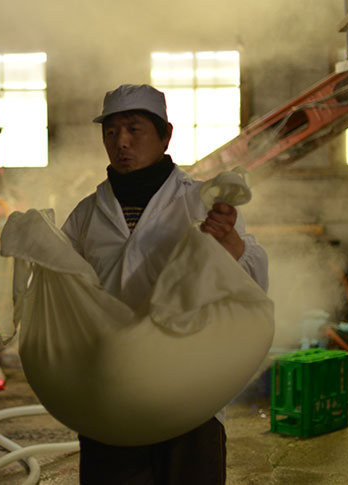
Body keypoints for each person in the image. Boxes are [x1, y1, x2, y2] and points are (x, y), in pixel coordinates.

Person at [61, 83, 269, 484]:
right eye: (110, 132)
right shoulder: (86, 215)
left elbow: (252, 286)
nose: (121, 142)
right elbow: (68, 292)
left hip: (190, 389)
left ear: (165, 135)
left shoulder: (201, 203)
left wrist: (231, 245)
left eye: (134, 129)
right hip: (113, 389)